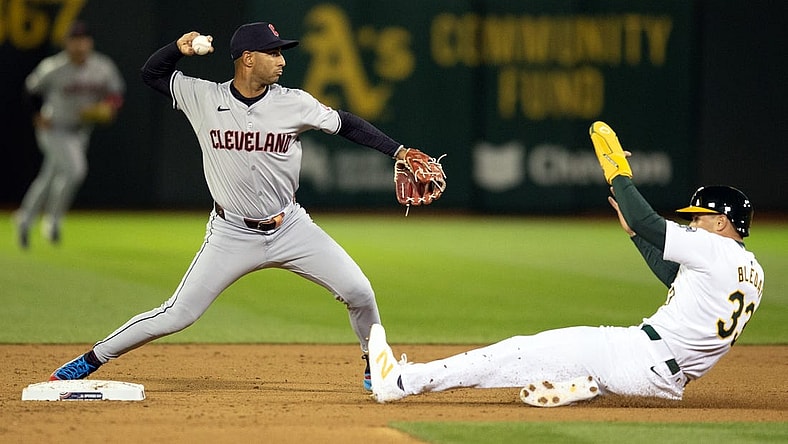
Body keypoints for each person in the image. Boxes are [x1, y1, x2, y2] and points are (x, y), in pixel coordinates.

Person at [47, 22, 441, 391]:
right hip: (230, 233)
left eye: (282, 53)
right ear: (248, 58)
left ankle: (375, 365)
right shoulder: (204, 97)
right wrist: (177, 49)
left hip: (291, 227)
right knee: (178, 314)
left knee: (359, 290)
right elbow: (152, 75)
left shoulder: (295, 103)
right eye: (274, 53)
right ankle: (92, 358)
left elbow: (346, 123)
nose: (283, 60)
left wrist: (399, 151)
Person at [369, 121, 764, 406]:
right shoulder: (752, 271)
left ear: (721, 221)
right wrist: (635, 237)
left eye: (698, 217)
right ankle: (583, 384)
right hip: (667, 377)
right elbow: (677, 282)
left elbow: (647, 219)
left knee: (518, 351)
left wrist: (618, 174)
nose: (692, 222)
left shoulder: (713, 248)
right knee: (563, 354)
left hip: (637, 356)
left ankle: (402, 381)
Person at [15, 21, 125, 248]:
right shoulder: (53, 67)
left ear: (90, 42)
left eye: (83, 40)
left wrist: (109, 106)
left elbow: (116, 93)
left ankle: (25, 219)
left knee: (49, 176)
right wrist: (37, 114)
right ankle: (52, 221)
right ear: (67, 43)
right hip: (53, 128)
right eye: (75, 40)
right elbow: (30, 89)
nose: (80, 45)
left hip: (80, 131)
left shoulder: (102, 67)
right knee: (75, 171)